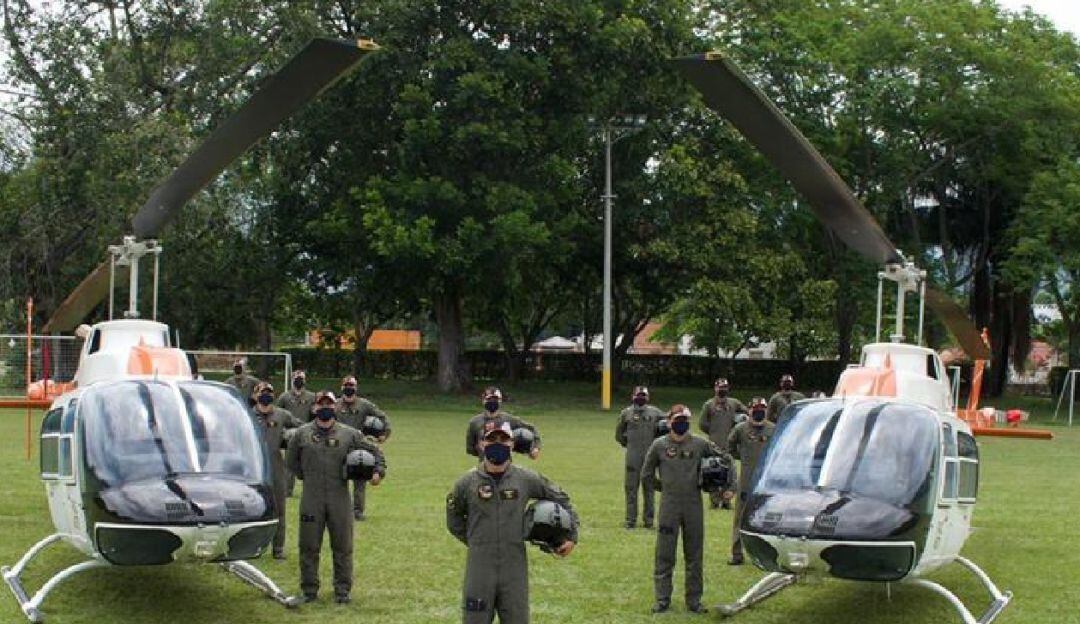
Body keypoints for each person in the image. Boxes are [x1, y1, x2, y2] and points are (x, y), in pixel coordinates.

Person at [446, 417, 578, 624]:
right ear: (481, 444)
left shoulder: (525, 479)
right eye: (491, 440)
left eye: (503, 440)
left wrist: (570, 536)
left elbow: (562, 499)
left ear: (512, 445)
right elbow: (453, 519)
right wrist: (477, 540)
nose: (497, 444)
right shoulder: (466, 483)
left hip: (514, 567)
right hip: (479, 567)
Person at [286, 391, 386, 604]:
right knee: (308, 545)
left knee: (342, 546)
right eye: (321, 404)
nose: (325, 408)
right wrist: (307, 475)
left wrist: (378, 472)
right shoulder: (301, 434)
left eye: (329, 404)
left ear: (335, 407)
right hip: (311, 498)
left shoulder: (349, 434)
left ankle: (342, 591)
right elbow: (291, 462)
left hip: (339, 497)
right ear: (314, 408)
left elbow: (375, 452)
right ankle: (309, 590)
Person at [642, 405, 733, 614]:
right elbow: (646, 475)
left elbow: (726, 459)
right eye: (678, 419)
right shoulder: (659, 445)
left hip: (693, 504)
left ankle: (694, 601)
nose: (682, 423)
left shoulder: (700, 444)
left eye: (686, 419)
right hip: (669, 506)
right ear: (670, 420)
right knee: (664, 554)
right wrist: (663, 487)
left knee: (694, 554)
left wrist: (729, 487)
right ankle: (662, 599)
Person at [252, 381, 301, 559]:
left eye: (270, 392)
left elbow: (300, 428)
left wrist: (290, 437)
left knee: (280, 510)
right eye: (263, 392)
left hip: (276, 468)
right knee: (255, 510)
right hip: (253, 470)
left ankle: (278, 549)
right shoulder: (247, 415)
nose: (266, 395)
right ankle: (254, 547)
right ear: (255, 396)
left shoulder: (282, 415)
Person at [334, 375, 392, 521]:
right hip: (338, 445)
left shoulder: (364, 405)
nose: (349, 388)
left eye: (352, 385)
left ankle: (357, 511)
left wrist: (384, 434)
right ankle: (336, 509)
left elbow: (382, 417)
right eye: (347, 385)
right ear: (342, 387)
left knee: (360, 478)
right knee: (336, 479)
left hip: (359, 445)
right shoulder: (334, 405)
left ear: (356, 388)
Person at [726, 397, 776, 566]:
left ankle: (767, 555)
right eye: (756, 407)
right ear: (749, 410)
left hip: (767, 480)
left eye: (763, 407)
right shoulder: (741, 429)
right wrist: (743, 458)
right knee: (740, 517)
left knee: (767, 518)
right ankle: (736, 553)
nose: (759, 410)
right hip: (746, 480)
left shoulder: (773, 429)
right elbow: (729, 447)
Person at [615, 386, 665, 529]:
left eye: (644, 395)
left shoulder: (656, 413)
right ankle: (630, 520)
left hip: (650, 457)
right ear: (633, 396)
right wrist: (629, 445)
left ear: (648, 397)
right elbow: (619, 435)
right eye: (639, 395)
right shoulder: (626, 413)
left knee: (649, 489)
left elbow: (667, 426)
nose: (641, 398)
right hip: (633, 456)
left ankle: (649, 521)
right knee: (631, 489)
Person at [700, 378, 747, 510]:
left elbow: (746, 413)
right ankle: (715, 500)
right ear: (715, 388)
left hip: (730, 444)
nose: (722, 390)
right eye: (720, 387)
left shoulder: (734, 403)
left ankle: (727, 500)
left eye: (725, 387)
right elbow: (702, 423)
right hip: (714, 443)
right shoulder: (709, 404)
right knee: (714, 472)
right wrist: (713, 431)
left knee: (731, 473)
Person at [465, 387, 541, 460]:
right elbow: (470, 449)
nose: (492, 401)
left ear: (500, 401)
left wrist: (536, 448)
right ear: (483, 400)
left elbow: (532, 428)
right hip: (484, 466)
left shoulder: (508, 419)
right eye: (489, 399)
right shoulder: (474, 422)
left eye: (495, 399)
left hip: (506, 466)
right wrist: (483, 452)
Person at [276, 369, 317, 497]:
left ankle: (309, 490)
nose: (299, 380)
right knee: (290, 463)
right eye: (297, 378)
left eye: (302, 378)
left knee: (308, 463)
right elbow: (278, 415)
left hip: (307, 434)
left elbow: (315, 415)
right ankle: (287, 491)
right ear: (292, 379)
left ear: (305, 380)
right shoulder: (284, 397)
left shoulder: (311, 397)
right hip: (290, 435)